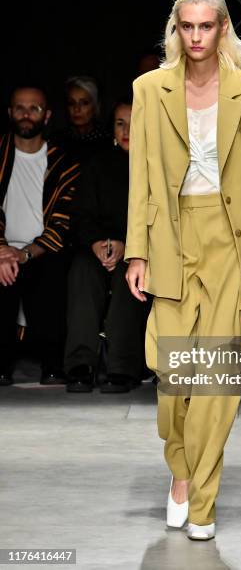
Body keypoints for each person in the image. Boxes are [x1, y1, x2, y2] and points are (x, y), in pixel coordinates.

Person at [125, 0, 241, 540]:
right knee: (172, 377)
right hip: (169, 234)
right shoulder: (149, 90)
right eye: (186, 26)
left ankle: (202, 500)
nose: (195, 36)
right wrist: (137, 249)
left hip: (230, 242)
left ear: (222, 29)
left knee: (217, 378)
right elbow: (141, 176)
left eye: (205, 26)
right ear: (175, 29)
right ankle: (181, 473)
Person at [64, 99, 152, 393]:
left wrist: (130, 245)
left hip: (140, 249)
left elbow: (161, 217)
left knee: (130, 275)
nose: (127, 130)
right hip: (99, 246)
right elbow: (80, 215)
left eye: (133, 122)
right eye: (120, 123)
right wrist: (96, 244)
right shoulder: (96, 165)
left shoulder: (156, 166)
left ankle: (122, 367)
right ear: (112, 128)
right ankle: (80, 364)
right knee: (82, 270)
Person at [0, 85, 80, 386]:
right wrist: (2, 251)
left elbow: (63, 222)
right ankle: (2, 365)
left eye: (34, 108)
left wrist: (23, 254)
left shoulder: (63, 163)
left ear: (46, 116)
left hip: (42, 251)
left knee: (52, 272)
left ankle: (52, 364)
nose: (26, 114)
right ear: (10, 113)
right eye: (20, 107)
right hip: (2, 251)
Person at [53, 75, 111, 166]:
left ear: (96, 106)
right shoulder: (56, 141)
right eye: (71, 103)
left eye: (84, 103)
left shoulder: (108, 142)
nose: (77, 109)